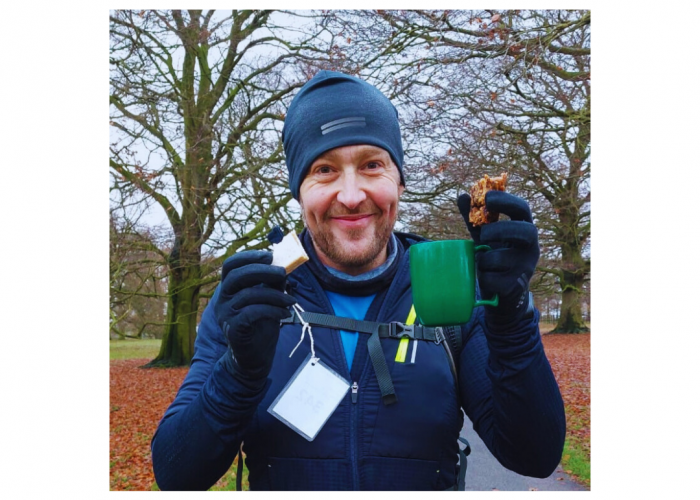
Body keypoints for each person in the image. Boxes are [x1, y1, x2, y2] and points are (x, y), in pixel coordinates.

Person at [150, 70, 566, 491]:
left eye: (371, 165)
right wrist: (238, 372)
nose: (350, 196)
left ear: (399, 180)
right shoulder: (250, 297)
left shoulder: (458, 293)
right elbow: (175, 474)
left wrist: (512, 317)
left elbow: (534, 455)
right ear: (299, 191)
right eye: (324, 169)